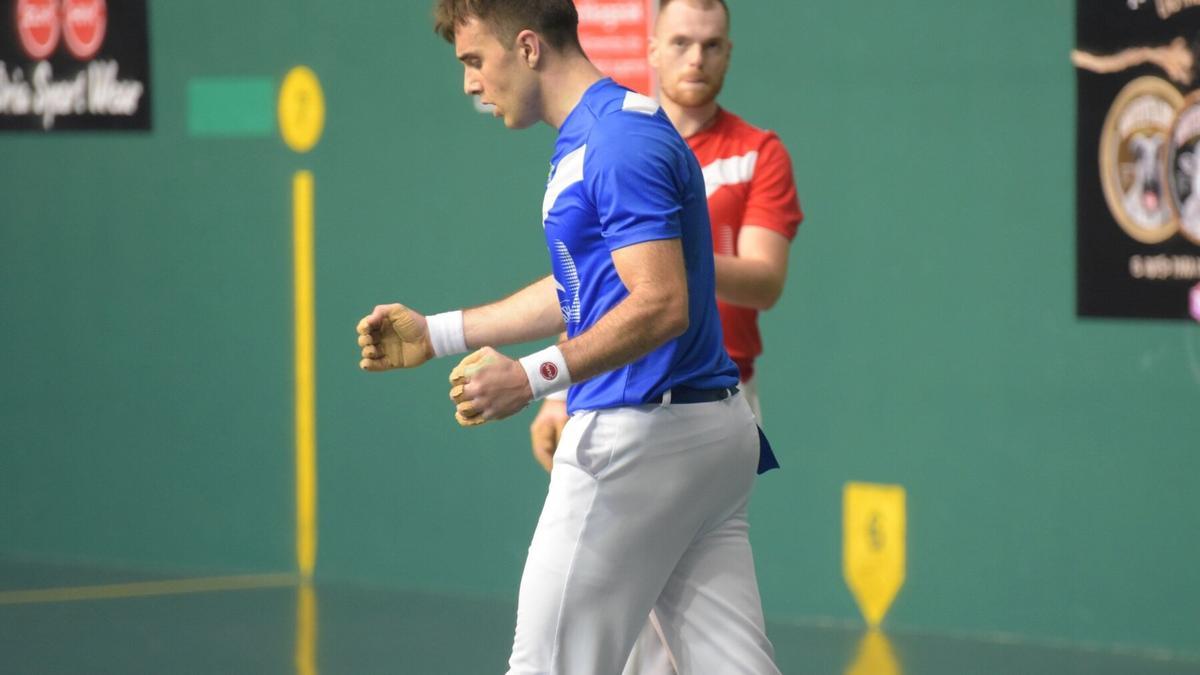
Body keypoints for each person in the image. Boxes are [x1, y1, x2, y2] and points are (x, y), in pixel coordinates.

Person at [356, 2, 782, 673]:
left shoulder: (615, 143)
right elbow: (584, 287)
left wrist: (529, 379)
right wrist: (438, 333)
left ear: (528, 48)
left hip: (637, 441)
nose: (470, 82)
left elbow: (661, 303)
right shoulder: (604, 130)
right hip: (707, 434)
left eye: (475, 60)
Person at [530, 0, 803, 471]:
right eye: (681, 43)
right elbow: (590, 279)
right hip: (614, 384)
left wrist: (666, 255)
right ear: (653, 49)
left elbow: (765, 282)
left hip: (717, 388)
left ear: (728, 53)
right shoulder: (616, 141)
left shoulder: (758, 152)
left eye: (711, 45)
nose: (696, 58)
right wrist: (556, 396)